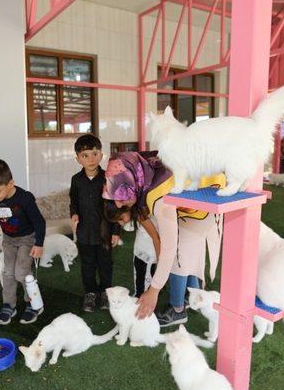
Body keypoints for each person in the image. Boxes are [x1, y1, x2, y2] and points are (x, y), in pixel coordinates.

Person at [102, 152, 224, 327]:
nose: (119, 204)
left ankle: (178, 310)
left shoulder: (159, 197)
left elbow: (168, 247)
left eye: (122, 195)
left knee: (177, 257)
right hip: (203, 195)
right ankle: (191, 297)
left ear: (132, 181)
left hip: (206, 200)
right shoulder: (147, 175)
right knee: (186, 253)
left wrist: (154, 290)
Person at [0, 158, 46, 325]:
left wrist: (39, 243)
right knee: (8, 273)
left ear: (10, 183)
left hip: (28, 239)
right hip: (9, 240)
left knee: (21, 273)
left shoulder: (25, 198)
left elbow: (39, 221)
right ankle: (9, 305)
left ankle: (33, 303)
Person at [69, 134, 120, 312]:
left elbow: (115, 207)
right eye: (85, 155)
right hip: (84, 233)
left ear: (101, 155)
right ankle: (90, 293)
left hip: (104, 232)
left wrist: (115, 231)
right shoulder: (76, 180)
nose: (90, 159)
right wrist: (74, 214)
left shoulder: (109, 178)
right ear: (78, 159)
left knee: (106, 264)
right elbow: (73, 202)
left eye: (94, 153)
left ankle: (106, 292)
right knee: (87, 265)